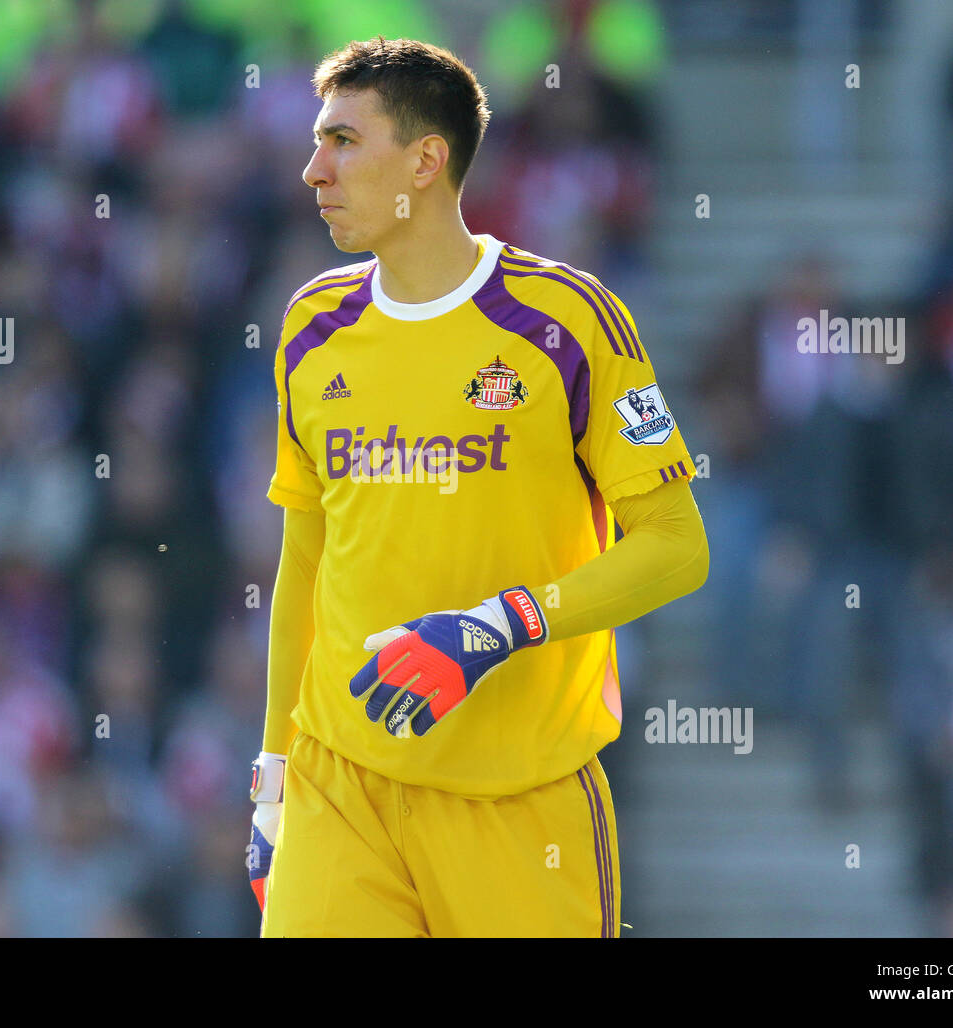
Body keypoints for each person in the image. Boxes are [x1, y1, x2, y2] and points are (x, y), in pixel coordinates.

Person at [247, 37, 708, 937]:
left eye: (343, 141)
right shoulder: (311, 326)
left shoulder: (571, 323)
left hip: (519, 804)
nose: (313, 170)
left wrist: (499, 626)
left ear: (425, 161)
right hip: (341, 787)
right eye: (316, 141)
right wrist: (272, 778)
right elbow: (306, 555)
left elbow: (677, 545)